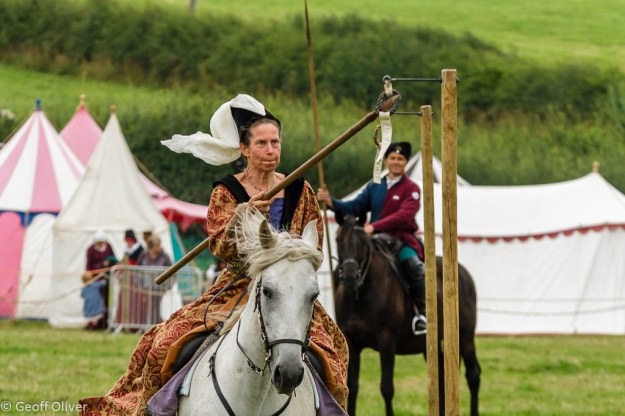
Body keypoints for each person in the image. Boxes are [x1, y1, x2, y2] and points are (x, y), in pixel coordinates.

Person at [79, 94, 348, 414]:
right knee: (163, 344)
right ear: (244, 149)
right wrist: (241, 216)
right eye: (261, 143)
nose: (270, 150)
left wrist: (291, 262)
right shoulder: (226, 191)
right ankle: (153, 408)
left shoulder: (299, 190)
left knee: (335, 353)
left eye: (275, 142)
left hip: (288, 291)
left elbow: (311, 246)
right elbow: (219, 244)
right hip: (234, 287)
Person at [317, 141, 428, 335]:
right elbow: (354, 206)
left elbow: (404, 216)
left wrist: (374, 226)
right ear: (386, 160)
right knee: (343, 269)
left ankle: (422, 315)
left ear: (405, 162)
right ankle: (341, 314)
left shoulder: (412, 189)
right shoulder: (375, 186)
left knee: (413, 267)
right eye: (392, 158)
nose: (396, 162)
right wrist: (331, 201)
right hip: (374, 241)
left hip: (402, 240)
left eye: (400, 159)